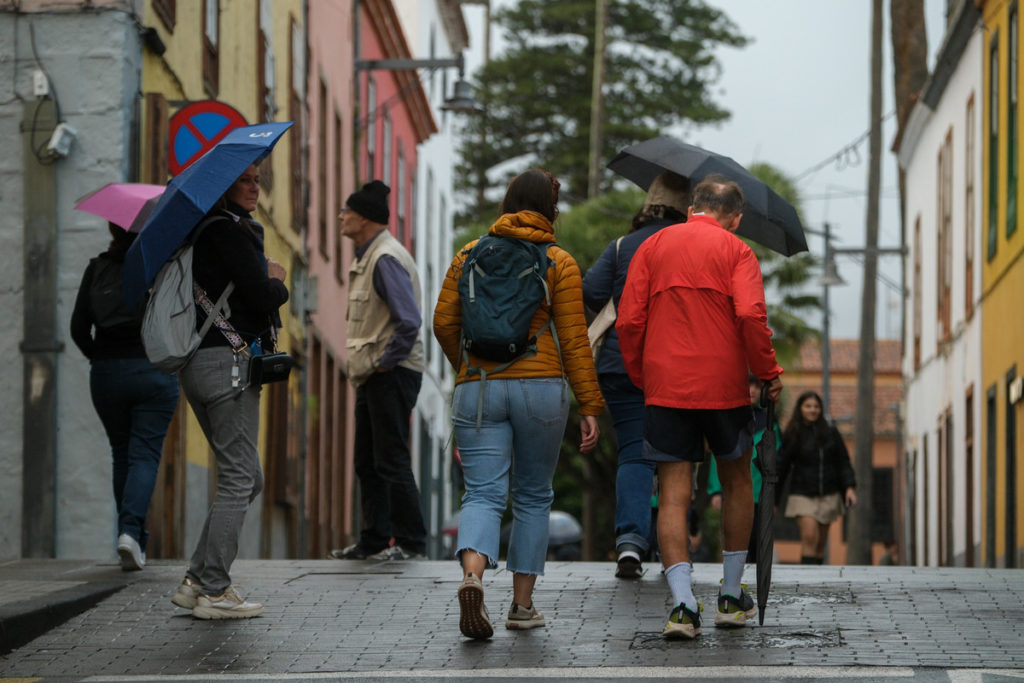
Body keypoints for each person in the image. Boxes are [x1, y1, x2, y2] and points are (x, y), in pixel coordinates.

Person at [433, 169, 603, 640]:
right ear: (550, 210)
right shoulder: (559, 262)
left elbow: (443, 322)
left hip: (479, 386)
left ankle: (472, 576)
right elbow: (574, 341)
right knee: (532, 496)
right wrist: (590, 404)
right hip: (541, 388)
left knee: (483, 493)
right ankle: (521, 607)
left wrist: (467, 366)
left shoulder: (469, 253)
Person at [616, 173, 783, 640]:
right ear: (736, 217)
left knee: (672, 492)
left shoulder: (653, 246)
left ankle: (684, 607)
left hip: (666, 385)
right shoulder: (738, 251)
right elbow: (751, 316)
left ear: (693, 207)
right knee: (734, 481)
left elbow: (629, 320)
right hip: (725, 387)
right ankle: (731, 597)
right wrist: (767, 372)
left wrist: (642, 375)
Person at [170, 163, 289, 619]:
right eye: (245, 178)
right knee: (240, 477)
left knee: (248, 476)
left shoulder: (198, 235)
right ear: (224, 186)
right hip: (229, 365)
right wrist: (276, 277)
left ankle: (196, 580)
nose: (255, 185)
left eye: (259, 178)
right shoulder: (230, 232)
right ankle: (215, 590)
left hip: (200, 366)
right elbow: (262, 297)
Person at [581, 171, 690, 580]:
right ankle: (673, 548)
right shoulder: (689, 242)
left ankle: (629, 542)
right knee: (676, 456)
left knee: (634, 451)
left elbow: (591, 291)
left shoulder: (623, 244)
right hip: (677, 364)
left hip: (619, 363)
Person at [70, 223, 180, 571]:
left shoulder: (97, 267)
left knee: (122, 453)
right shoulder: (158, 265)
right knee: (144, 454)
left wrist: (99, 356)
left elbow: (77, 327)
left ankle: (129, 534)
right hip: (152, 370)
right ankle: (132, 533)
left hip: (107, 375)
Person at [329, 180, 427, 562]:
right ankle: (373, 540)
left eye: (346, 211)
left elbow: (408, 321)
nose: (341, 216)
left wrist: (386, 363)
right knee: (367, 460)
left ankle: (411, 543)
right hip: (375, 373)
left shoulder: (384, 257)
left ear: (364, 218)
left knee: (390, 459)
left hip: (392, 372)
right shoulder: (368, 255)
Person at [706, 374, 782, 563]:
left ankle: (753, 583)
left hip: (760, 493)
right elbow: (718, 457)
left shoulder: (769, 422)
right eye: (748, 386)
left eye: (756, 387)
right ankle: (734, 580)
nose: (753, 390)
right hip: (732, 491)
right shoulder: (728, 419)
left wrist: (774, 497)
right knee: (735, 538)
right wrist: (715, 491)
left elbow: (776, 461)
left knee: (758, 541)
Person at [778, 390, 857, 565]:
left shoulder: (830, 432)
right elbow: (781, 466)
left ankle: (816, 579)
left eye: (816, 406)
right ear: (800, 408)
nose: (812, 410)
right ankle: (806, 579)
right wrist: (774, 500)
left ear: (820, 409)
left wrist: (849, 488)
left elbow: (843, 461)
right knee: (809, 536)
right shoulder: (793, 433)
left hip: (828, 493)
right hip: (802, 493)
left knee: (820, 543)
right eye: (808, 406)